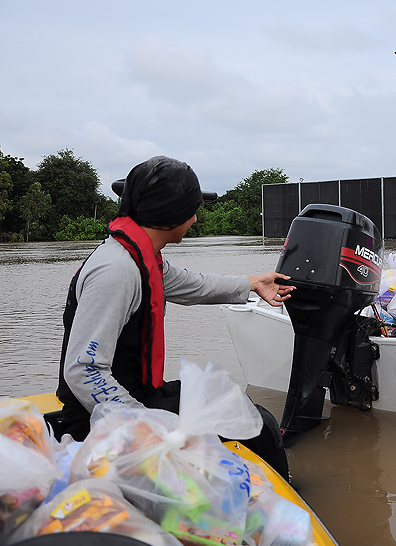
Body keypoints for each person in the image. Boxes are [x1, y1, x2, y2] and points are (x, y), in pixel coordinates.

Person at [55, 156, 295, 479]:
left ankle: (280, 487)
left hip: (139, 395)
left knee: (248, 414)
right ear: (169, 217)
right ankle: (285, 502)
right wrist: (146, 429)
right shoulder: (116, 270)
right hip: (96, 419)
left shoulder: (140, 256)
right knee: (258, 427)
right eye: (191, 210)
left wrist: (252, 283)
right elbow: (83, 369)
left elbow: (191, 283)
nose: (195, 218)